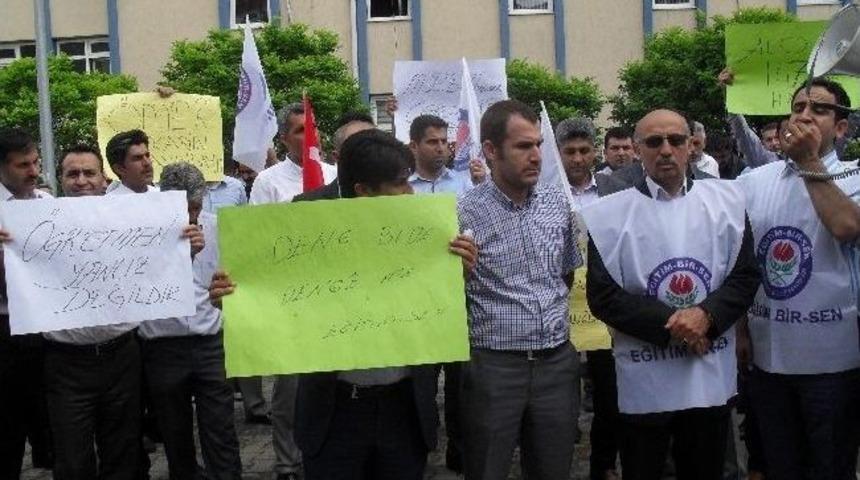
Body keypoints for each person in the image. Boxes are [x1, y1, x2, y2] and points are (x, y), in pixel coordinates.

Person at [210, 128, 478, 480]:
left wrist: (460, 275)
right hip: (332, 409)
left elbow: (442, 307)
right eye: (400, 184)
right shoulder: (303, 219)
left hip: (404, 406)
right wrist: (232, 296)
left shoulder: (427, 227)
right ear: (363, 192)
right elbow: (274, 295)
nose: (411, 193)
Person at [585, 109, 760, 480]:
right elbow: (602, 295)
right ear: (637, 149)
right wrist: (678, 325)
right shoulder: (608, 215)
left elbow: (745, 277)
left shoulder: (728, 202)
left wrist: (707, 316)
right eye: (653, 142)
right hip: (645, 375)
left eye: (676, 140)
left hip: (706, 373)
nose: (666, 150)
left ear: (691, 146)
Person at [736, 77, 860, 480]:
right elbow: (738, 261)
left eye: (819, 110)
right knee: (779, 466)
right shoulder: (754, 181)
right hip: (769, 361)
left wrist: (809, 163)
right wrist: (740, 331)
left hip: (834, 364)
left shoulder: (854, 176)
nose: (804, 115)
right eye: (798, 107)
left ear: (841, 127)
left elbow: (846, 227)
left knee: (830, 467)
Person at [458, 100, 581, 480]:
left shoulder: (559, 207)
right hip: (494, 367)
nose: (536, 156)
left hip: (557, 364)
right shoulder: (461, 215)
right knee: (487, 467)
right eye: (523, 146)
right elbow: (445, 296)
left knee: (553, 467)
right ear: (491, 151)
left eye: (539, 145)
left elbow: (565, 276)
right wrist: (456, 275)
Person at [40, 144, 141, 480]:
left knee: (124, 451)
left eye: (89, 173)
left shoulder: (132, 218)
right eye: (72, 174)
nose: (81, 180)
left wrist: (185, 246)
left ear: (104, 179)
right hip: (65, 363)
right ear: (60, 180)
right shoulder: (38, 226)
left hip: (122, 355)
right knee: (72, 458)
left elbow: (158, 269)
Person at [248, 102, 336, 480]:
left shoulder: (335, 175)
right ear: (284, 137)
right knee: (291, 390)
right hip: (291, 301)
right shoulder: (268, 181)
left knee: (331, 384)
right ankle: (287, 461)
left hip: (334, 298)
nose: (308, 136)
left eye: (312, 129)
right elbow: (257, 239)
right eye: (300, 130)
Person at [139, 162, 241, 480]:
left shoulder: (219, 228)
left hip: (210, 342)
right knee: (174, 431)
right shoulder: (142, 234)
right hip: (162, 345)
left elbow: (235, 282)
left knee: (220, 427)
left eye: (195, 207)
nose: (191, 216)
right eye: (183, 209)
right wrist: (182, 255)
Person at [555, 117, 621, 480]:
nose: (578, 159)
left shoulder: (618, 187)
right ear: (559, 154)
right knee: (561, 396)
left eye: (584, 151)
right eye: (570, 152)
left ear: (595, 152)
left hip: (605, 310)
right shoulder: (545, 192)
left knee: (610, 394)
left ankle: (604, 463)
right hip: (562, 306)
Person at [0, 128, 53, 479]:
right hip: (5, 332)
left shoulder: (49, 205)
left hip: (46, 327)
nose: (34, 172)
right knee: (7, 424)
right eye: (23, 165)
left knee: (51, 420)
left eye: (36, 162)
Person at [717, 68, 783, 168]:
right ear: (762, 144)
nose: (774, 143)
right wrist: (729, 92)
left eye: (777, 138)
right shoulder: (762, 160)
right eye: (769, 140)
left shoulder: (800, 161)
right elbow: (742, 130)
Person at [408, 114, 473, 195]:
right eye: (432, 142)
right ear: (413, 146)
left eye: (444, 141)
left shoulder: (464, 184)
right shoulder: (399, 188)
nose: (440, 148)